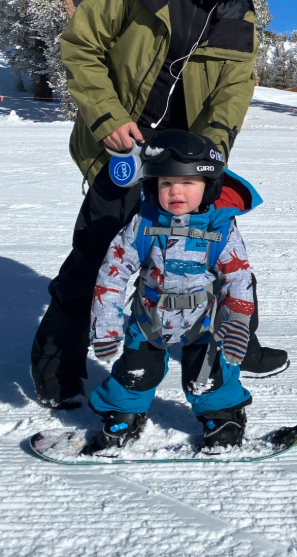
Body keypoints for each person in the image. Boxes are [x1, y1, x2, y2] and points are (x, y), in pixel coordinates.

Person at [31, 0, 288, 410]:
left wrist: (211, 150)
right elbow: (80, 45)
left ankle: (240, 347)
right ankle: (58, 363)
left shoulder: (239, 15)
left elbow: (234, 89)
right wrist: (106, 117)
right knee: (98, 253)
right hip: (122, 149)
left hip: (183, 164)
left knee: (220, 254)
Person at [83, 130, 258, 453]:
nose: (175, 191)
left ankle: (222, 415)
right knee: (135, 371)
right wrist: (106, 325)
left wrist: (236, 322)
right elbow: (112, 274)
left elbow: (238, 278)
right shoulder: (142, 224)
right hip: (149, 319)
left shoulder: (220, 228)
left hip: (202, 322)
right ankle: (123, 413)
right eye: (166, 184)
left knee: (208, 373)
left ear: (209, 186)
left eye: (188, 183)